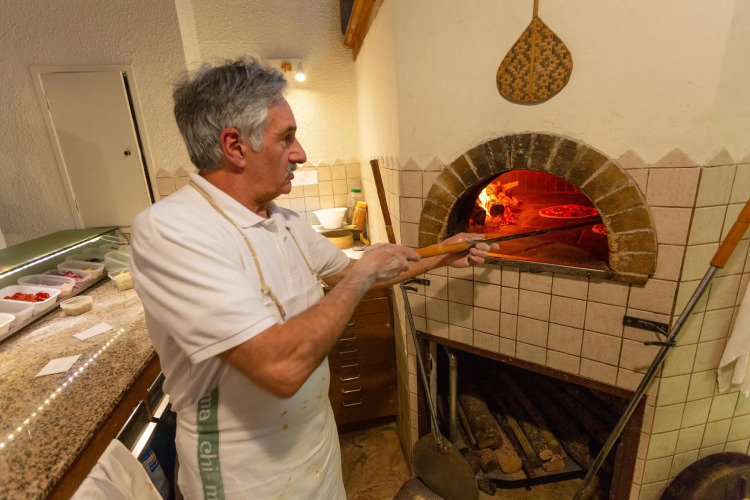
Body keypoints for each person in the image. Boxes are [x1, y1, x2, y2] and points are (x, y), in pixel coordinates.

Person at [130, 57, 498, 499]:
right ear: (234, 146)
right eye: (286, 138)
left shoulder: (284, 221)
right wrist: (363, 274)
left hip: (316, 448)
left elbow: (355, 272)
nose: (300, 153)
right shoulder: (173, 230)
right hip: (244, 476)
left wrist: (442, 254)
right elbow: (281, 368)